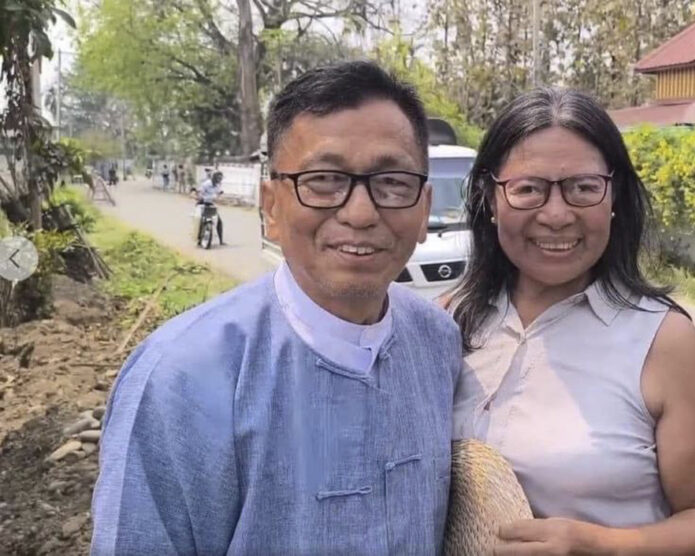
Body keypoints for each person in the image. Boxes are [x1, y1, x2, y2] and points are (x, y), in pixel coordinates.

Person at [91, 60, 460, 554]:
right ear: (271, 206)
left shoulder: (437, 342)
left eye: (392, 182)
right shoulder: (182, 378)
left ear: (423, 207)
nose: (360, 212)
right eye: (324, 180)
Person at [448, 88, 695, 555]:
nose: (556, 214)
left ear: (614, 196)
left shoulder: (662, 342)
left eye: (584, 188)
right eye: (528, 188)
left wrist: (603, 545)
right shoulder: (446, 323)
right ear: (491, 199)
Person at [195, 170, 225, 245]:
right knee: (200, 221)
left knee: (219, 222)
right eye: (218, 178)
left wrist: (219, 196)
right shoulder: (206, 184)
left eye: (221, 178)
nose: (220, 180)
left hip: (211, 204)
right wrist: (200, 197)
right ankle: (199, 239)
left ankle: (221, 241)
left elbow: (218, 193)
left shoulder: (218, 185)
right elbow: (200, 192)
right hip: (203, 203)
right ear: (214, 177)